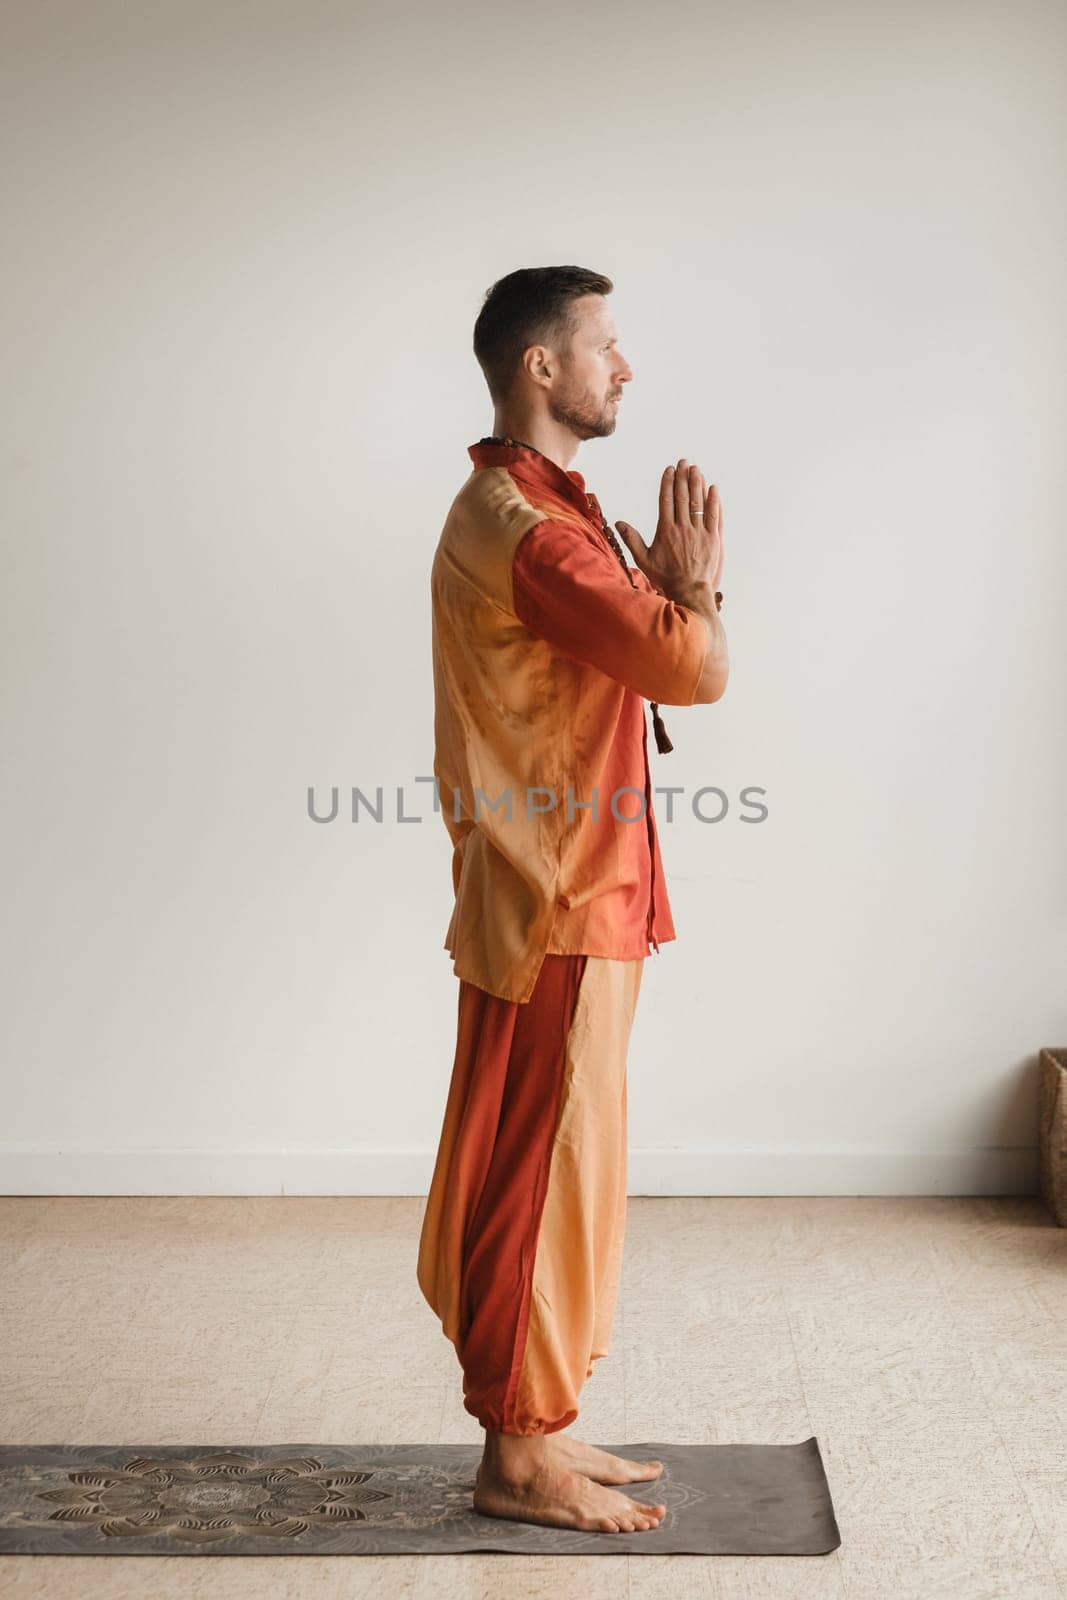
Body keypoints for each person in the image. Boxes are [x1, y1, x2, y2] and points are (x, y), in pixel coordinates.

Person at [416, 265, 729, 1534]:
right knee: (541, 1167)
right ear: (539, 367)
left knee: (553, 1159)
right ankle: (515, 1454)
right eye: (604, 345)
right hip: (558, 896)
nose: (624, 366)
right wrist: (692, 590)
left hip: (560, 887)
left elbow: (638, 651)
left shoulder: (539, 505)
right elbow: (688, 667)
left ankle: (535, 1420)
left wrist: (657, 589)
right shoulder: (531, 525)